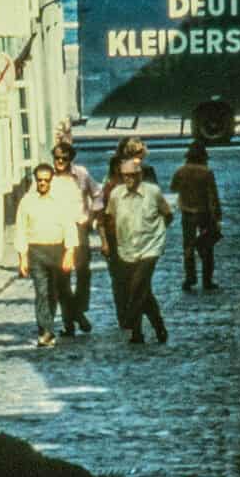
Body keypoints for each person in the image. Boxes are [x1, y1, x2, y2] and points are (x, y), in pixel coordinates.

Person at [99, 155, 174, 345]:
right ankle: (150, 329)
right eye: (125, 175)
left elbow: (168, 214)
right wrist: (107, 242)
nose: (129, 179)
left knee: (137, 285)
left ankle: (130, 320)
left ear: (140, 175)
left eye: (132, 175)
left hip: (150, 247)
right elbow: (109, 218)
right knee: (143, 291)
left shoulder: (153, 192)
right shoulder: (116, 194)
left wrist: (157, 233)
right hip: (127, 248)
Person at [15, 163, 78, 348]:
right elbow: (21, 230)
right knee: (41, 292)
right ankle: (45, 331)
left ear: (51, 180)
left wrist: (70, 252)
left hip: (57, 250)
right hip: (36, 251)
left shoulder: (60, 201)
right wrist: (22, 257)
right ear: (35, 180)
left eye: (46, 180)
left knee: (54, 292)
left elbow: (69, 226)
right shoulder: (27, 202)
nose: (43, 183)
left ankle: (54, 326)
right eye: (39, 180)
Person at [101, 137, 154, 329]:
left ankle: (138, 315)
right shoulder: (111, 183)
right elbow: (103, 213)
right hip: (117, 235)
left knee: (139, 278)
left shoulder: (147, 173)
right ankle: (125, 316)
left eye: (140, 156)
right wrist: (104, 240)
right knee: (120, 279)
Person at [50, 142, 102, 336]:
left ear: (71, 159)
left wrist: (91, 218)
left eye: (64, 158)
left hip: (79, 226)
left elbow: (98, 195)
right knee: (61, 277)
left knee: (82, 272)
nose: (60, 161)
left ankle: (78, 310)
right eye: (57, 158)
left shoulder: (81, 174)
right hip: (57, 229)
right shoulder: (49, 176)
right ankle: (73, 319)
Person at [170, 140, 223, 291]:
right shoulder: (207, 172)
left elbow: (173, 188)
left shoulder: (180, 171)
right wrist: (218, 216)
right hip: (204, 213)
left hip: (187, 213)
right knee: (207, 246)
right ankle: (207, 280)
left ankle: (190, 278)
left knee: (188, 247)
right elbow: (213, 196)